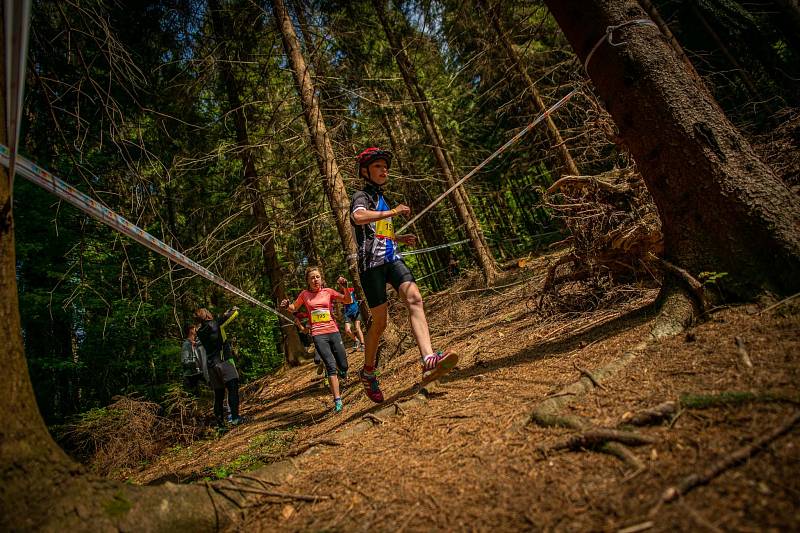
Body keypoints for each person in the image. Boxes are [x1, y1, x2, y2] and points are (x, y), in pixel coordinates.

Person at [350, 147, 458, 403]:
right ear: (366, 171)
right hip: (370, 265)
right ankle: (368, 372)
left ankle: (429, 359)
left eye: (385, 167)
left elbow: (378, 231)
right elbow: (358, 218)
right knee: (380, 323)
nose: (384, 170)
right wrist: (393, 212)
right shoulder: (362, 195)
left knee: (414, 298)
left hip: (392, 258)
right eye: (378, 166)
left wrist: (398, 237)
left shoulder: (382, 199)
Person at [281, 267, 352, 413]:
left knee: (343, 365)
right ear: (308, 281)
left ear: (321, 278)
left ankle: (342, 371)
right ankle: (337, 400)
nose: (315, 280)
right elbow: (294, 307)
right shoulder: (305, 295)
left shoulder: (328, 292)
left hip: (333, 331)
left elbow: (347, 300)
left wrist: (345, 288)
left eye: (317, 277)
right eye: (312, 277)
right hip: (318, 334)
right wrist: (288, 306)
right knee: (330, 365)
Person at [194, 306, 243, 427]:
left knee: (219, 395)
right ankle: (236, 419)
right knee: (232, 388)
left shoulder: (199, 332)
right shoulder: (216, 323)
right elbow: (234, 313)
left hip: (211, 366)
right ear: (207, 315)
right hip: (224, 361)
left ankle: (221, 425)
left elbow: (221, 320)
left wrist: (224, 314)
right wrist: (234, 309)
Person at [180, 324, 208, 394]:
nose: (196, 330)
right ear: (191, 331)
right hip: (190, 379)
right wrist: (195, 364)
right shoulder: (186, 344)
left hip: (196, 377)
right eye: (194, 329)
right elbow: (184, 361)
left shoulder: (195, 343)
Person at [341, 281, 365, 351]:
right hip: (347, 314)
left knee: (357, 328)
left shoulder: (352, 290)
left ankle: (363, 344)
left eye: (342, 284)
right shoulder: (341, 294)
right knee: (347, 330)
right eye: (340, 285)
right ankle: (356, 340)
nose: (341, 286)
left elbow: (359, 292)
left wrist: (359, 301)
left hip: (356, 311)